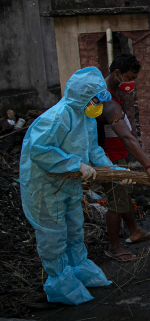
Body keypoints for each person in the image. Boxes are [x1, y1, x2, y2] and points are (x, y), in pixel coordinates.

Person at [19, 67, 114, 305]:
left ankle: (78, 267)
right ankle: (59, 281)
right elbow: (40, 150)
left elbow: (92, 148)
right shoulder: (58, 116)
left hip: (69, 182)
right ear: (83, 95)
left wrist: (111, 169)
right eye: (95, 98)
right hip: (45, 186)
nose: (97, 104)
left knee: (74, 228)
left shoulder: (85, 116)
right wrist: (75, 164)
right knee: (54, 235)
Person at [96, 53, 150, 262]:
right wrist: (149, 165)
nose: (132, 83)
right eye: (130, 77)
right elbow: (126, 136)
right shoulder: (108, 101)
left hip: (118, 157)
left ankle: (135, 231)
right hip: (110, 160)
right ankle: (114, 248)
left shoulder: (113, 95)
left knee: (124, 195)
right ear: (117, 73)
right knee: (116, 202)